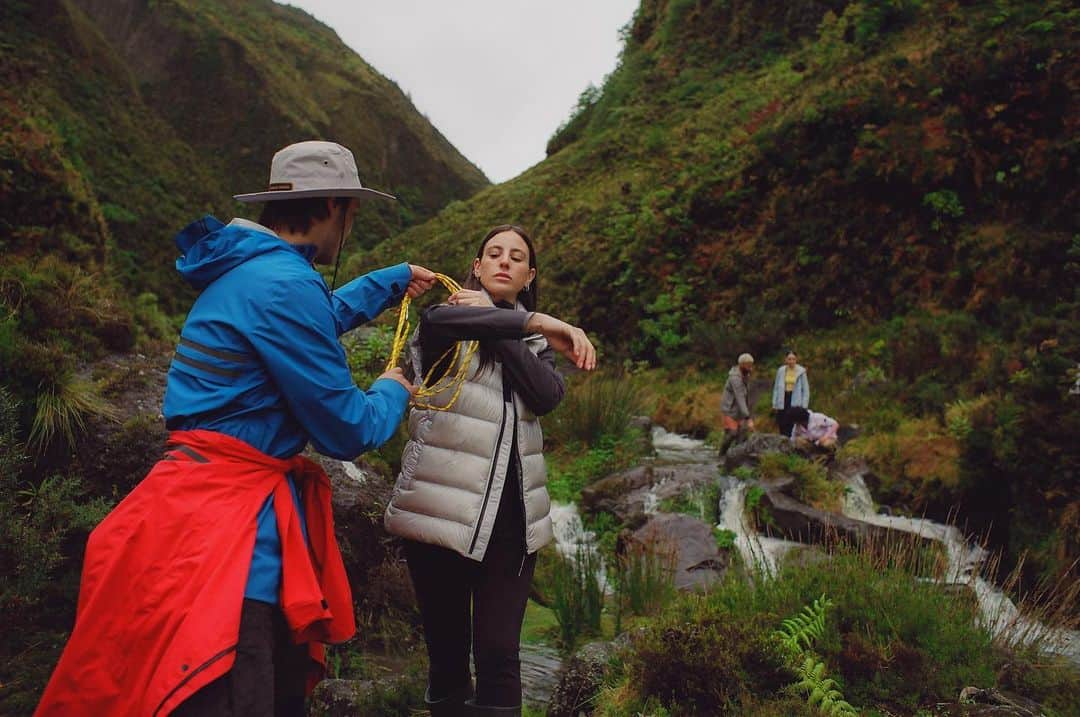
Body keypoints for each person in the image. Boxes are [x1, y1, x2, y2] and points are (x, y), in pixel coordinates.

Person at [36, 141, 436, 717]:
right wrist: (394, 390)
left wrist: (389, 281)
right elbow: (348, 429)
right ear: (335, 208)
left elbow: (311, 317)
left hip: (184, 509)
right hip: (233, 538)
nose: (352, 223)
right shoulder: (285, 285)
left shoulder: (252, 268)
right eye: (353, 211)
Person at [384, 224, 596, 717]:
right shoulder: (442, 325)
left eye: (516, 257)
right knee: (449, 659)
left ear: (528, 276)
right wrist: (522, 320)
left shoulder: (540, 350)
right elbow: (438, 320)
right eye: (493, 254)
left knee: (501, 654)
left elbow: (545, 396)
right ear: (476, 268)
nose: (504, 261)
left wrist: (501, 322)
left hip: (513, 526)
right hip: (440, 516)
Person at [719, 352, 755, 451]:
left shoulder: (745, 375)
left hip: (739, 410)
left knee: (741, 435)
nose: (750, 368)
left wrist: (747, 413)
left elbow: (746, 396)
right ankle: (721, 454)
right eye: (748, 365)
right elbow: (740, 398)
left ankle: (735, 457)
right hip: (729, 409)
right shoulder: (735, 378)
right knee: (732, 433)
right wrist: (748, 418)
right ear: (741, 365)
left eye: (751, 365)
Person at [772, 350, 810, 438]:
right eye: (789, 359)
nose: (791, 361)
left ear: (796, 360)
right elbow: (776, 388)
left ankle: (791, 441)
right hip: (783, 397)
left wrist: (804, 405)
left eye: (793, 359)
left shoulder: (801, 371)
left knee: (792, 421)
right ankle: (782, 439)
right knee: (782, 421)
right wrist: (774, 403)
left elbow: (806, 390)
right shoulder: (781, 370)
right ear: (786, 360)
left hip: (795, 398)